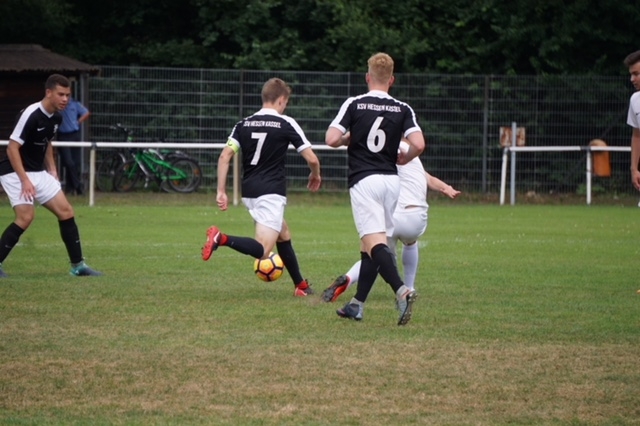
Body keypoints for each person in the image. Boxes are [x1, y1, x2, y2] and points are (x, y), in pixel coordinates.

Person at [325, 52, 426, 325]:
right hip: (391, 182)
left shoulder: (354, 103)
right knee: (369, 245)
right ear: (391, 80)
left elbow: (331, 138)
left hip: (365, 180)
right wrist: (406, 157)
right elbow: (419, 144)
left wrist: (347, 139)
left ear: (367, 77)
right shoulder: (403, 108)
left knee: (375, 244)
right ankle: (356, 305)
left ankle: (402, 290)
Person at [201, 77, 321, 297]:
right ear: (281, 100)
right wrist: (315, 174)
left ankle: (301, 286)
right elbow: (312, 158)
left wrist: (221, 191)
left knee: (283, 233)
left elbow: (224, 156)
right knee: (264, 250)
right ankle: (221, 238)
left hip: (250, 191)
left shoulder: (243, 124)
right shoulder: (286, 123)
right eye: (286, 103)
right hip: (271, 192)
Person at [322, 143, 461, 302]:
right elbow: (427, 178)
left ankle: (348, 278)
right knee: (410, 243)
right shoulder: (410, 153)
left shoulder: (386, 148)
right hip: (415, 217)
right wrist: (446, 187)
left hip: (391, 216)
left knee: (376, 255)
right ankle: (409, 287)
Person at [0, 74, 102, 277]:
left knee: (66, 212)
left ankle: (78, 266)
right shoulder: (31, 114)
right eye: (61, 94)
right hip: (15, 172)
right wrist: (25, 180)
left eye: (67, 95)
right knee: (25, 217)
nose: (65, 99)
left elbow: (47, 142)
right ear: (48, 93)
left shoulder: (56, 117)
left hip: (38, 172)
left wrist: (52, 170)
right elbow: (12, 148)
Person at [57, 94, 90, 196]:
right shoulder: (58, 105)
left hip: (74, 135)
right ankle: (78, 186)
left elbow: (86, 112)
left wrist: (78, 122)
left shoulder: (74, 104)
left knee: (75, 163)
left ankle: (69, 188)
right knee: (68, 162)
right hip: (63, 136)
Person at [624, 50, 640, 191]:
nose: (632, 79)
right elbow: (636, 136)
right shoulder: (635, 100)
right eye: (631, 74)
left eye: (636, 74)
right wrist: (634, 169)